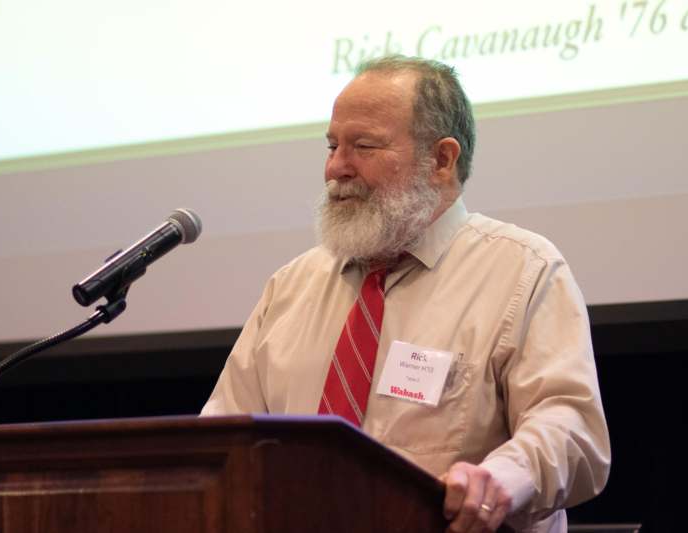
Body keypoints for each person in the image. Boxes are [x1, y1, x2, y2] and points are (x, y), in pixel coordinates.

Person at [201, 56, 610, 533]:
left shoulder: (523, 270)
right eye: (333, 146)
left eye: (364, 146)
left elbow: (572, 430)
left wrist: (499, 478)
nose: (336, 168)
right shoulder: (291, 286)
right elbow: (220, 444)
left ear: (442, 159)